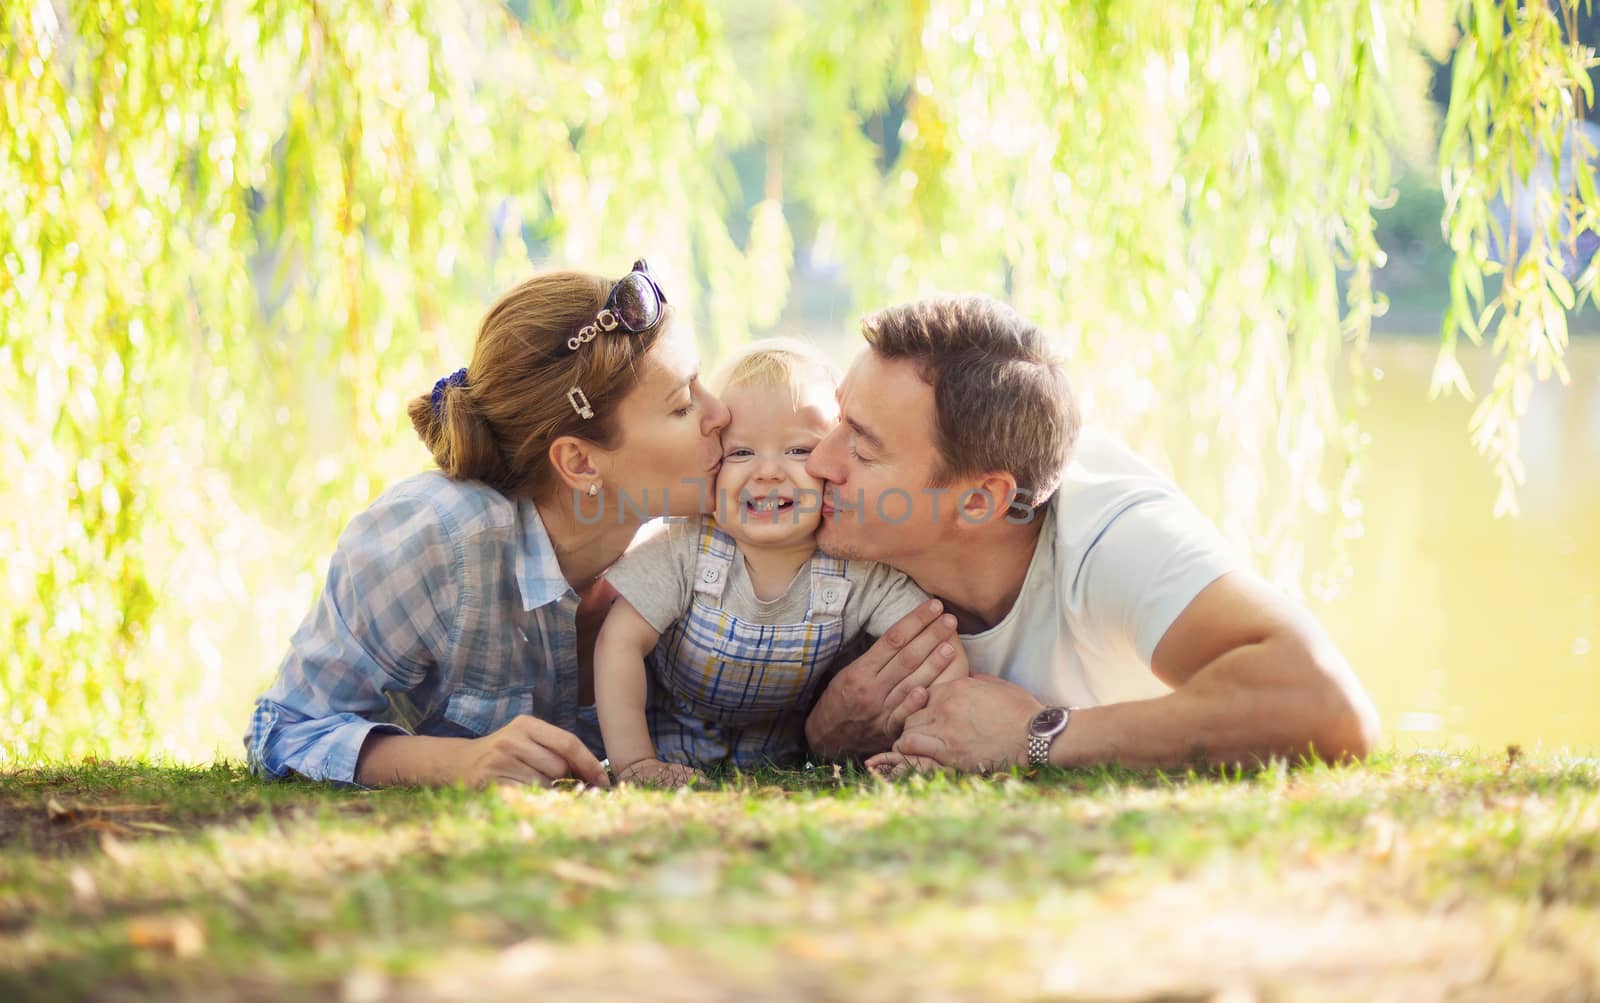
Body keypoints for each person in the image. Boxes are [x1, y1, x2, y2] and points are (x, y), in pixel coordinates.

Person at [797, 295, 1381, 774]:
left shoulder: (1111, 532)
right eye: (837, 419)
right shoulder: (817, 514)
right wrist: (823, 732)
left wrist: (1036, 736)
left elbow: (1325, 705)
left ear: (979, 500)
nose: (818, 461)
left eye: (863, 448)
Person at [244, 261, 732, 788]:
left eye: (702, 384)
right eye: (683, 405)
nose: (721, 412)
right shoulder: (436, 538)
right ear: (580, 463)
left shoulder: (708, 539)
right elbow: (284, 730)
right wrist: (460, 763)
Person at [594, 340, 968, 785]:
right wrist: (636, 762)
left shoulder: (858, 569)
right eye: (740, 452)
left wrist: (925, 745)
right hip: (673, 743)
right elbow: (618, 642)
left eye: (798, 451)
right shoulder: (685, 546)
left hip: (789, 757)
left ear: (832, 460)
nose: (768, 471)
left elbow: (938, 653)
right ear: (711, 465)